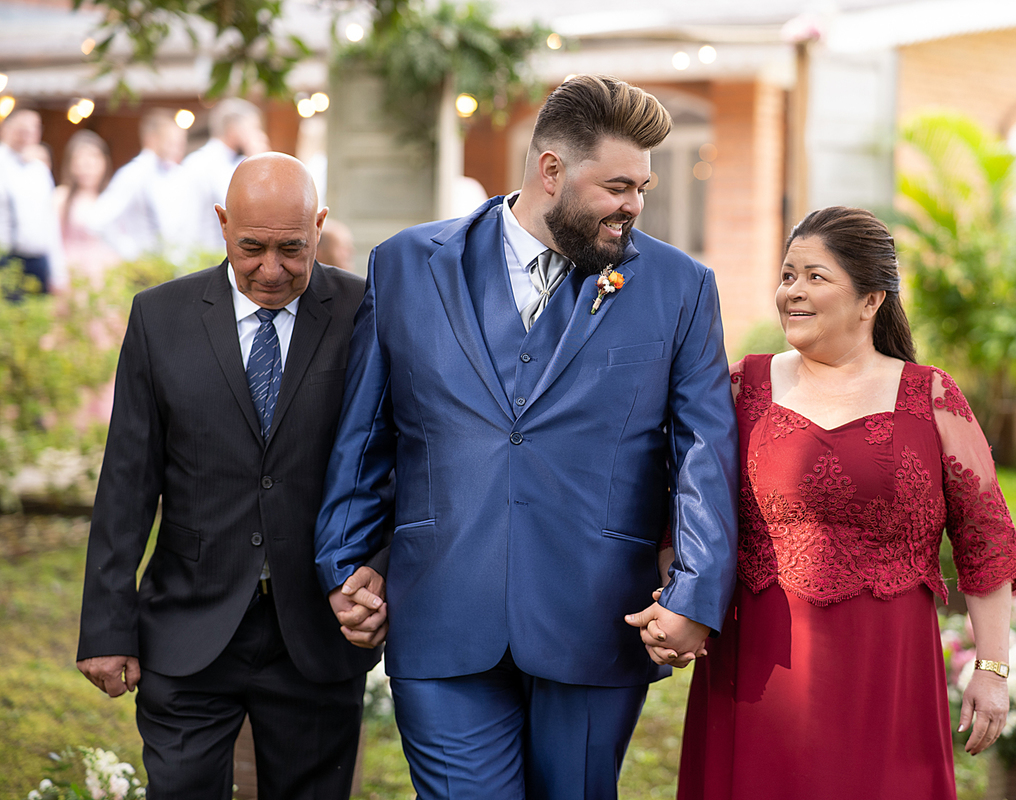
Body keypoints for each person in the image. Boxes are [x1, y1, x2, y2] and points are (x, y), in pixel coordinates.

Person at [314, 74, 739, 800]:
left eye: (642, 187)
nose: (635, 206)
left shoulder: (679, 286)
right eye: (616, 186)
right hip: (441, 611)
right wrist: (344, 560)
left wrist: (696, 592)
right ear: (551, 171)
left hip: (597, 620)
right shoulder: (406, 265)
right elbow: (365, 436)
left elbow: (705, 452)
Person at [675, 207, 1016, 800]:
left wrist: (992, 670)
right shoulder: (741, 387)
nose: (792, 291)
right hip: (758, 667)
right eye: (787, 275)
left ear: (871, 300)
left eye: (815, 277)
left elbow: (986, 543)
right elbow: (688, 509)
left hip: (887, 673)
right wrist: (678, 607)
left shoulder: (932, 397)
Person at [76, 153, 388, 800]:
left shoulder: (366, 313)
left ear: (320, 225)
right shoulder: (159, 318)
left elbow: (396, 459)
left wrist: (377, 569)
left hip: (316, 634)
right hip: (188, 629)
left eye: (292, 249)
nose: (271, 270)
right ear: (222, 224)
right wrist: (107, 626)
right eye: (251, 247)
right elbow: (128, 482)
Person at [86, 107, 187, 261]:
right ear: (152, 139)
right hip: (147, 267)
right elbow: (98, 220)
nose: (177, 148)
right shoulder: (134, 173)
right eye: (170, 141)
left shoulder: (175, 173)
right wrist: (131, 253)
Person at [177, 98, 269, 253]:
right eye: (254, 127)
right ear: (234, 128)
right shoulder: (202, 163)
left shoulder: (235, 162)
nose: (259, 134)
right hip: (204, 256)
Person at [0, 108, 65, 295]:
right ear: (6, 128)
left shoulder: (40, 171)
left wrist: (58, 273)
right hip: (6, 258)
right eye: (21, 128)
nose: (26, 134)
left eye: (32, 129)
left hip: (38, 260)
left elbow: (50, 221)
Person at [55, 129, 120, 284]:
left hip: (109, 275)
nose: (88, 166)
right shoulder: (61, 197)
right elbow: (54, 243)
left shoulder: (112, 197)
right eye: (81, 160)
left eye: (93, 159)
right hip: (74, 276)